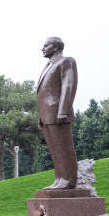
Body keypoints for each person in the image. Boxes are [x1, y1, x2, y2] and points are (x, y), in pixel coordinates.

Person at [37, 36, 79, 189]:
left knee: (64, 148)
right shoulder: (48, 65)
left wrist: (63, 110)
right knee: (55, 149)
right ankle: (59, 178)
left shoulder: (66, 61)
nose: (42, 49)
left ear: (55, 47)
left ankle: (69, 179)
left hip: (58, 112)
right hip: (46, 114)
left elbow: (69, 86)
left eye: (45, 45)